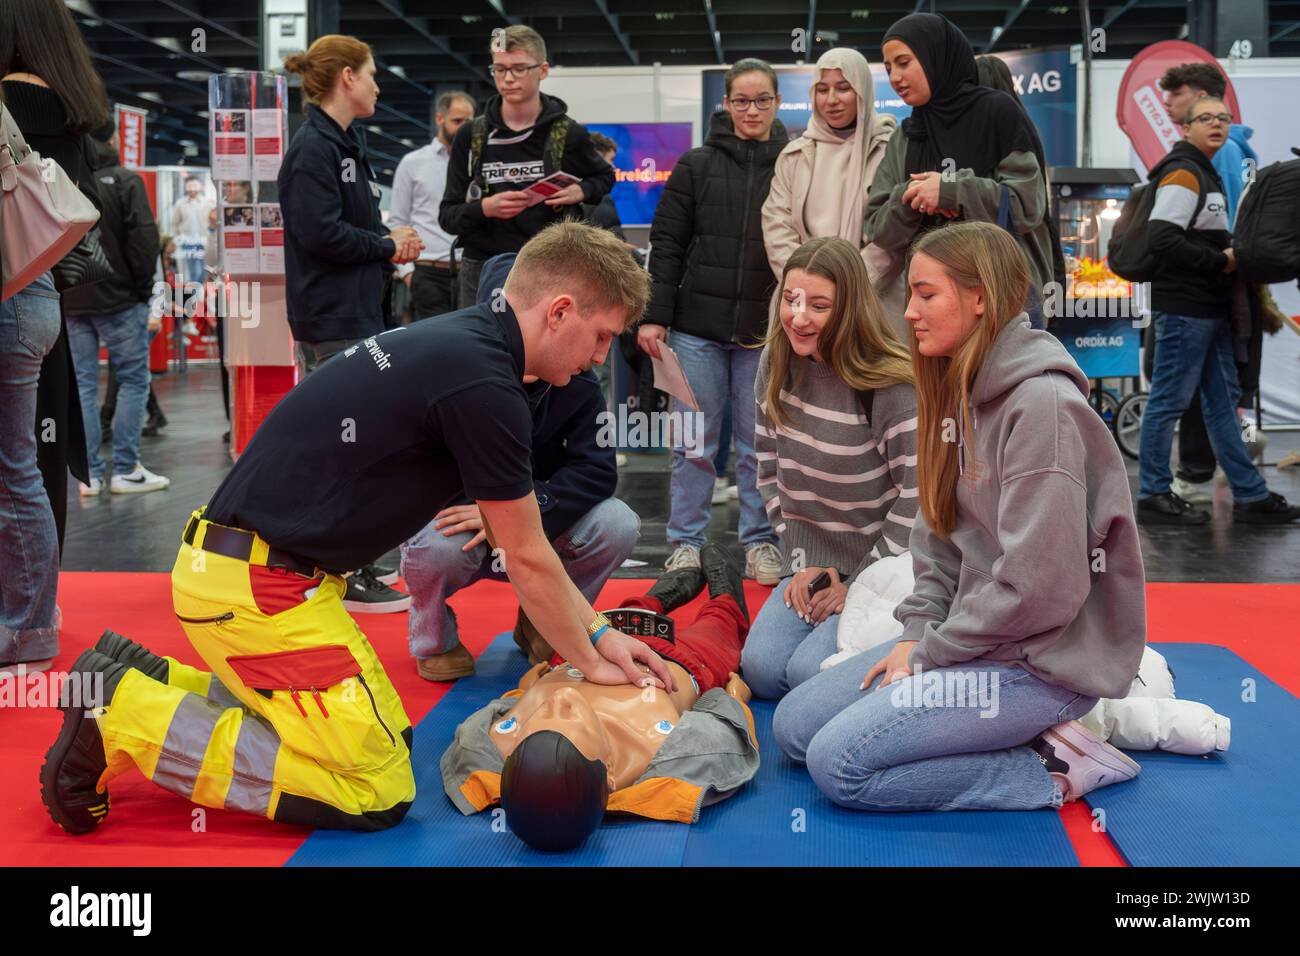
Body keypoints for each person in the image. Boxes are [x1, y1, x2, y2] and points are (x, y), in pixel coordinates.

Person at [40, 221, 678, 836]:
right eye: (601, 336)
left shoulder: (466, 343)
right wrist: (591, 657)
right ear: (559, 311)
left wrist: (594, 636)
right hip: (260, 591)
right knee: (375, 788)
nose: (600, 358)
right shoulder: (484, 381)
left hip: (256, 575)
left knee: (387, 736)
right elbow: (529, 557)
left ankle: (142, 678)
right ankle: (122, 713)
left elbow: (527, 545)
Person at [773, 221, 1147, 812]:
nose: (910, 312)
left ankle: (1053, 764)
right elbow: (938, 541)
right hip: (970, 642)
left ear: (980, 298)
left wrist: (926, 655)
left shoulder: (1041, 408)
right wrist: (920, 630)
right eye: (911, 295)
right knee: (793, 729)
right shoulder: (955, 392)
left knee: (837, 765)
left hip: (1039, 666)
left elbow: (1039, 592)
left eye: (926, 294)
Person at [400, 253, 640, 681]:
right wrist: (486, 511)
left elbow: (599, 471)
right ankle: (433, 641)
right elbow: (414, 467)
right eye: (600, 337)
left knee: (618, 522)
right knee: (435, 546)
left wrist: (528, 507)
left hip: (535, 526)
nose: (601, 355)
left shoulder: (577, 378)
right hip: (464, 528)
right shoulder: (456, 368)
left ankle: (546, 622)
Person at [441, 544, 756, 852]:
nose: (559, 699)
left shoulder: (496, 748)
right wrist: (733, 697)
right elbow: (726, 728)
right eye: (568, 720)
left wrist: (526, 692)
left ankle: (667, 590)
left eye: (536, 726)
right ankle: (725, 589)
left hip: (586, 650)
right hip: (683, 661)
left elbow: (482, 730)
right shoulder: (663, 754)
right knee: (720, 625)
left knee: (630, 611)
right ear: (607, 772)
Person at [741, 237, 918, 700]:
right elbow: (767, 467)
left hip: (881, 569)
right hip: (813, 561)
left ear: (850, 309)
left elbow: (916, 499)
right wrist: (802, 563)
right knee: (760, 670)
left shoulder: (890, 385)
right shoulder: (775, 362)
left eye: (818, 305)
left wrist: (857, 583)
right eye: (791, 299)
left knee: (806, 675)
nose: (799, 317)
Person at [639, 58, 789, 585]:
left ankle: (762, 543)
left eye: (763, 99)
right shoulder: (695, 164)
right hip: (695, 330)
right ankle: (685, 544)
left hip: (764, 332)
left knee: (758, 447)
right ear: (726, 104)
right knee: (691, 444)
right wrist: (655, 316)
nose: (752, 110)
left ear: (776, 102)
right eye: (742, 100)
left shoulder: (793, 164)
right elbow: (668, 246)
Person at [1135, 96, 1300, 526]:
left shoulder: (1204, 172)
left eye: (1223, 119)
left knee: (1222, 405)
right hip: (1184, 309)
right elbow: (1161, 238)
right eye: (1205, 118)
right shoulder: (1184, 173)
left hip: (1208, 309)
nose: (1217, 125)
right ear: (1186, 128)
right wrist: (1221, 261)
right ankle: (1153, 493)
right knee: (1168, 401)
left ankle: (1250, 494)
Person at [864, 13, 1053, 331]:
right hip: (929, 305)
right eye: (888, 68)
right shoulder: (906, 135)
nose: (895, 77)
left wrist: (952, 190)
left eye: (904, 62)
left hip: (1003, 295)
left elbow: (1026, 205)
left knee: (1004, 382)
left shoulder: (997, 113)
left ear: (935, 56)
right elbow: (878, 228)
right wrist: (913, 196)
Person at [1, 0, 99, 557]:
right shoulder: (73, 109)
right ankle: (39, 604)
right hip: (43, 296)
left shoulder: (9, 102)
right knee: (36, 463)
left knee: (14, 466)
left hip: (9, 291)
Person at [439, 25, 616, 309]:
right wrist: (486, 208)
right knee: (482, 351)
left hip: (551, 265)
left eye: (519, 68)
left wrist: (580, 191)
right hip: (484, 268)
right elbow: (448, 215)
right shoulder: (471, 135)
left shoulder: (567, 133)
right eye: (499, 69)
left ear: (542, 70)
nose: (508, 78)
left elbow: (605, 176)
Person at [279, 34, 424, 376]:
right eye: (371, 75)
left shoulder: (345, 145)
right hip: (334, 318)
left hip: (359, 312)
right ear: (348, 76)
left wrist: (391, 237)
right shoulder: (313, 149)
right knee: (343, 426)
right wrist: (387, 245)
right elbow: (321, 233)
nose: (377, 87)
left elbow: (352, 225)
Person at [1156, 62, 1261, 505]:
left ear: (1201, 98)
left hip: (1207, 292)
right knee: (1206, 393)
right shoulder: (1203, 160)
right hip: (1207, 289)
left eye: (1176, 96)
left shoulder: (1220, 157)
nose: (1168, 105)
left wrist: (1222, 260)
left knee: (1192, 396)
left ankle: (1188, 481)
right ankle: (1234, 487)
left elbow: (1223, 225)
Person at [63, 120, 170, 495]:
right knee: (133, 380)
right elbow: (144, 241)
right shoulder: (126, 181)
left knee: (83, 386)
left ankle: (88, 474)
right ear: (114, 138)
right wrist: (143, 292)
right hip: (120, 300)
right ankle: (126, 468)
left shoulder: (68, 180)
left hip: (73, 301)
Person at [0, 89, 64, 677]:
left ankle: (28, 630)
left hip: (13, 300)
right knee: (15, 467)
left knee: (12, 469)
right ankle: (30, 619)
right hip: (28, 292)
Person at [761, 48, 897, 279]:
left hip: (872, 297)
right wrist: (807, 283)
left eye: (844, 88)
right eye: (822, 89)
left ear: (862, 90)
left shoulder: (889, 150)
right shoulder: (795, 155)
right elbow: (777, 227)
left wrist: (850, 285)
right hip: (805, 296)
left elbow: (894, 233)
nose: (832, 100)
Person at [389, 91, 475, 321]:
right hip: (427, 273)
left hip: (470, 270)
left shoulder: (478, 164)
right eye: (457, 121)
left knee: (471, 344)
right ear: (439, 119)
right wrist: (408, 274)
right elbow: (397, 220)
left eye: (469, 122)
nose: (464, 128)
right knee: (434, 349)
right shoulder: (413, 163)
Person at [169, 175, 212, 285]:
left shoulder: (207, 202)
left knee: (205, 268)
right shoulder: (180, 204)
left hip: (203, 240)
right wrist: (176, 239)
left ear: (200, 186)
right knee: (191, 269)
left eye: (195, 185)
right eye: (189, 185)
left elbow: (212, 222)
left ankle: (199, 286)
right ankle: (195, 292)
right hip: (187, 241)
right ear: (186, 187)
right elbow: (174, 224)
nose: (192, 188)